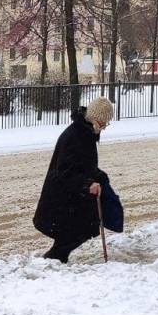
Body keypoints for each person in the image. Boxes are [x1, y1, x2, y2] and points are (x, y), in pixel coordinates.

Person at [33, 97, 114, 263]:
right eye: (103, 122)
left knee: (79, 232)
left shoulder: (85, 133)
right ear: (94, 119)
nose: (105, 127)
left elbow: (84, 165)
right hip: (62, 197)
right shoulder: (76, 136)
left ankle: (54, 261)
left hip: (72, 195)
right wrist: (87, 184)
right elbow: (65, 171)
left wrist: (99, 176)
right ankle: (51, 262)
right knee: (75, 233)